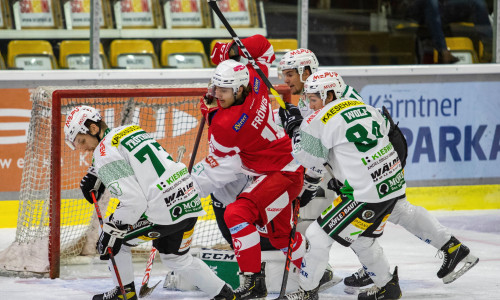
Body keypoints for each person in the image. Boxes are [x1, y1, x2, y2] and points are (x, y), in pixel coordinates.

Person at [63, 105, 235, 300]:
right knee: (177, 258)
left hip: (163, 210)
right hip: (189, 200)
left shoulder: (103, 154)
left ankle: (124, 293)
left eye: (82, 141)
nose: (83, 148)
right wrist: (96, 172)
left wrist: (113, 230)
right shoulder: (129, 129)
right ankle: (225, 295)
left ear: (93, 129)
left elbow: (134, 202)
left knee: (113, 237)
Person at [193, 34, 307, 299]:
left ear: (239, 90)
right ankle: (314, 271)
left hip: (281, 173)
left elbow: (220, 152)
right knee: (280, 237)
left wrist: (209, 112)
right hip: (284, 166)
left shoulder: (225, 124)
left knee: (236, 214)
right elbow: (264, 47)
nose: (216, 95)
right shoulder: (256, 80)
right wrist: (235, 49)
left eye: (223, 91)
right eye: (215, 88)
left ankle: (253, 282)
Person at [391, 0, 493, 63]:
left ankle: (490, 49)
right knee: (431, 2)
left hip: (440, 6)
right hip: (413, 8)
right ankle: (443, 51)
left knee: (477, 3)